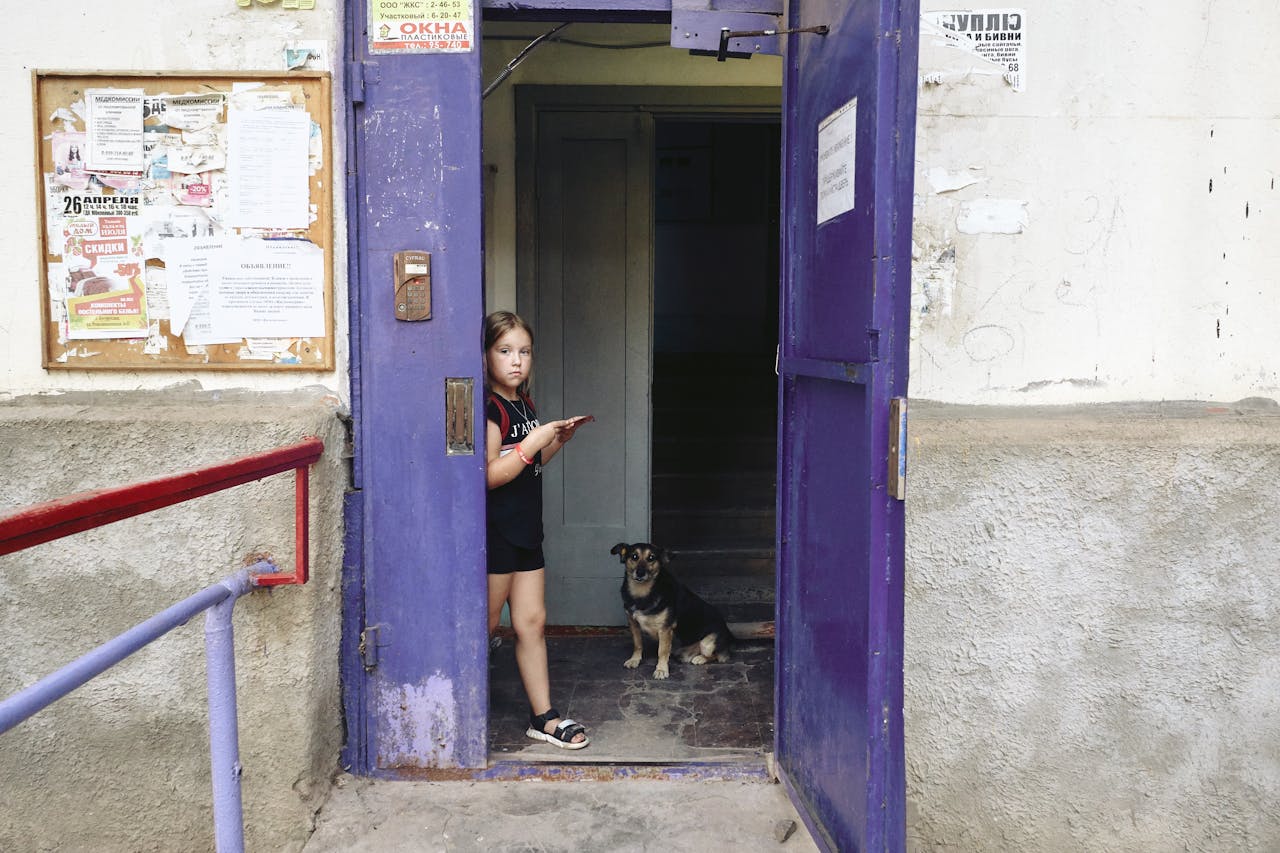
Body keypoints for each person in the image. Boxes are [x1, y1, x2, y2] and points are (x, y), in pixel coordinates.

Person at [483, 310, 594, 749]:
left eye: (524, 352)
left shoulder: (524, 403)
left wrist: (555, 443)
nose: (516, 361)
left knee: (532, 622)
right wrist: (532, 443)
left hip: (527, 531)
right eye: (505, 351)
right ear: (486, 355)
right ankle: (460, 712)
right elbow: (489, 474)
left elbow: (527, 467)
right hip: (496, 534)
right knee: (485, 624)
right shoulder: (490, 409)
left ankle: (543, 717)